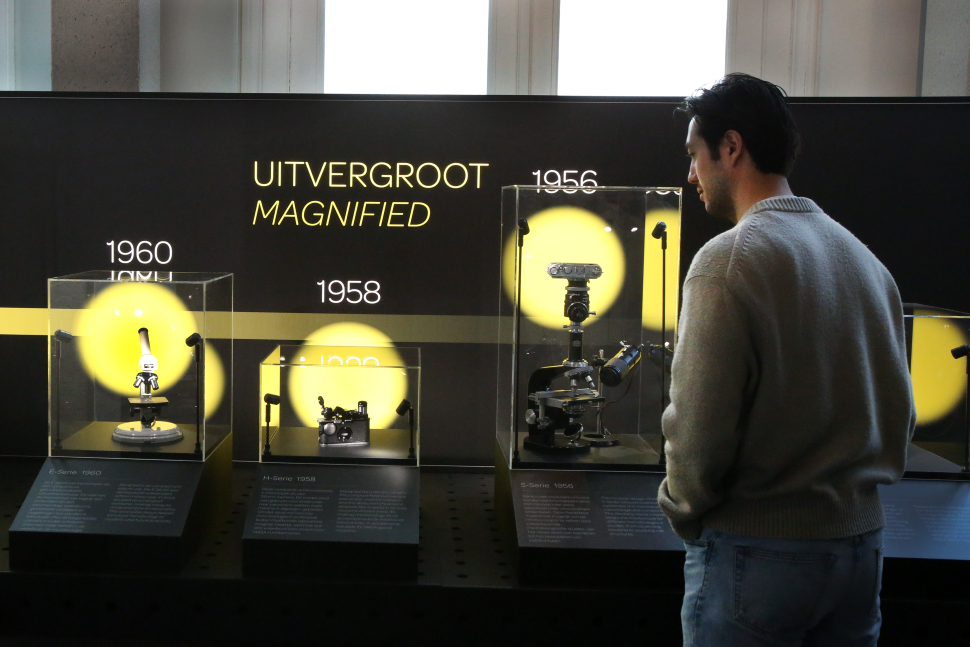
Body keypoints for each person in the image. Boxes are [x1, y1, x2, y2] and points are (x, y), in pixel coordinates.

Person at [657, 73, 916, 647]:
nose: (691, 174)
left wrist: (683, 510)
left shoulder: (727, 260)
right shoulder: (864, 260)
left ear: (731, 147)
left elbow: (699, 422)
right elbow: (900, 413)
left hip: (757, 553)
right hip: (860, 553)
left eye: (694, 155)